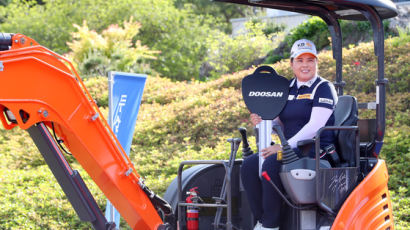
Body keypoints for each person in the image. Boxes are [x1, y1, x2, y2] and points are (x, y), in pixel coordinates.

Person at [241, 39, 338, 230]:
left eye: (310, 60)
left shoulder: (323, 88)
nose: (305, 65)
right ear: (291, 63)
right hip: (289, 149)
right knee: (249, 165)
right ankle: (262, 220)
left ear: (316, 62)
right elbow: (277, 120)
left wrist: (283, 146)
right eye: (300, 60)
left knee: (270, 163)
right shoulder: (286, 89)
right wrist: (262, 122)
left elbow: (315, 126)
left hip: (313, 151)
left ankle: (271, 224)